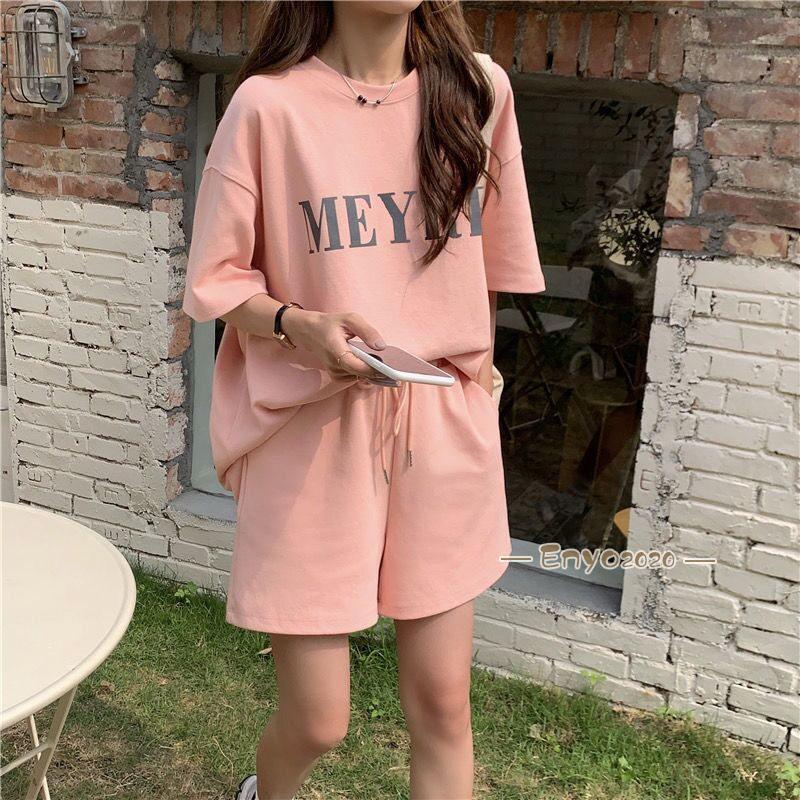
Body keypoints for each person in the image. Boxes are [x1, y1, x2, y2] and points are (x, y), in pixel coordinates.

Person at [181, 2, 545, 798]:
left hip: (440, 424)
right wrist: (298, 325)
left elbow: (494, 266)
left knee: (444, 705)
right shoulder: (269, 106)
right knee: (319, 719)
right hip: (311, 426)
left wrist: (477, 382)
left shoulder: (480, 90)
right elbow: (216, 281)